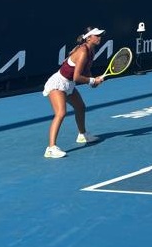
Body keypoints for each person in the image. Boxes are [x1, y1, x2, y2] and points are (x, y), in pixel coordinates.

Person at [42, 27, 105, 159]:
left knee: (80, 107)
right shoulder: (82, 52)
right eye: (97, 35)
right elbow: (77, 77)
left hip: (69, 84)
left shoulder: (91, 51)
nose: (99, 37)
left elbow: (86, 72)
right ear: (89, 38)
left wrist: (93, 82)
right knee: (61, 113)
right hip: (58, 83)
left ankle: (82, 135)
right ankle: (51, 148)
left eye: (100, 35)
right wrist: (92, 80)